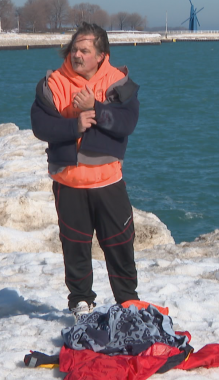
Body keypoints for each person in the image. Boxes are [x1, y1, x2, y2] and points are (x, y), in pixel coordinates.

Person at [30, 23, 140, 319]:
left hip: (108, 182)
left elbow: (127, 122)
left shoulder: (118, 82)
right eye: (74, 49)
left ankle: (128, 302)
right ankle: (80, 302)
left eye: (85, 50)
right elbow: (40, 125)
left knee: (119, 244)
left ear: (101, 54)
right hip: (69, 183)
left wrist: (97, 107)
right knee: (75, 246)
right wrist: (74, 125)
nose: (77, 54)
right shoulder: (53, 83)